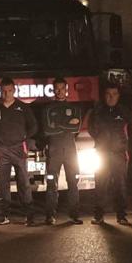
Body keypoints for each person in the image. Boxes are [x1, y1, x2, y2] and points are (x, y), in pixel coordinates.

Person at [0, 78, 38, 225]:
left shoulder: (23, 107)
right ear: (0, 91)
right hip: (2, 150)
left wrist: (24, 137)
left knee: (24, 182)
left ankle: (29, 215)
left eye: (9, 91)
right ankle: (4, 215)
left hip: (19, 149)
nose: (7, 94)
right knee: (3, 183)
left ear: (14, 90)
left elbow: (34, 126)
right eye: (4, 91)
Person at [40, 77, 84, 225]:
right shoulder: (47, 109)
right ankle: (50, 216)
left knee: (73, 183)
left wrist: (57, 125)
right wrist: (67, 123)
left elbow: (76, 128)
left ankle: (74, 215)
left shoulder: (75, 108)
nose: (59, 91)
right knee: (52, 184)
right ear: (53, 90)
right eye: (56, 89)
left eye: (62, 88)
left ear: (66, 90)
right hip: (54, 151)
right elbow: (47, 130)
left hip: (71, 151)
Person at [89, 82, 130, 225]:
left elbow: (130, 131)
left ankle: (121, 215)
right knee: (101, 184)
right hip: (102, 154)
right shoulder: (98, 111)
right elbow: (91, 128)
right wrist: (100, 142)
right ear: (104, 95)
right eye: (108, 94)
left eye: (114, 94)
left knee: (120, 185)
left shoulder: (124, 111)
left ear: (118, 96)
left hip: (119, 154)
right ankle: (99, 215)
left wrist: (123, 147)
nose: (111, 97)